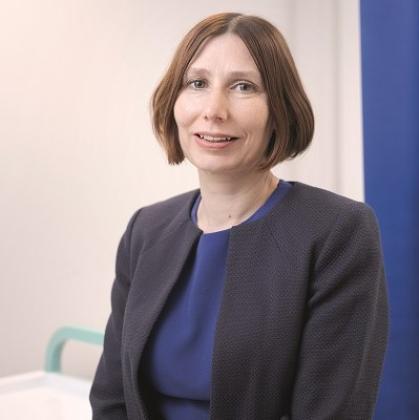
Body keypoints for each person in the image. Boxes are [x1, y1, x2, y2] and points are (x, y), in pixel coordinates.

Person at [90, 12, 388, 420]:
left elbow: (331, 411)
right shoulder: (146, 229)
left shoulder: (337, 232)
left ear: (279, 109)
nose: (214, 109)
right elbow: (112, 399)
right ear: (174, 101)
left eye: (243, 87)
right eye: (197, 83)